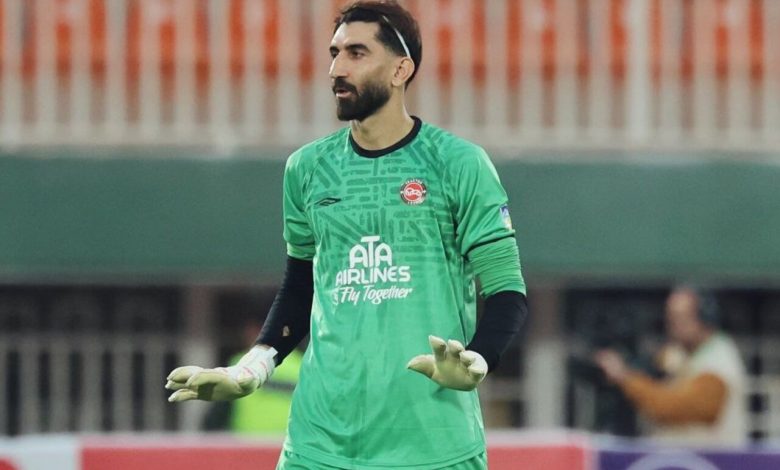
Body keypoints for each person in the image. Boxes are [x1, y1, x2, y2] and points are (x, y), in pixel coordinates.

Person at [165, 1, 528, 468]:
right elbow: (300, 288)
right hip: (319, 445)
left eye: (357, 53)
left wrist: (478, 360)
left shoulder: (458, 164)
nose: (336, 69)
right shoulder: (307, 169)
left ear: (400, 69)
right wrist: (250, 370)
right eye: (334, 53)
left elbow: (506, 289)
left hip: (433, 446)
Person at [595, 286, 747, 447]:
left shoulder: (717, 361)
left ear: (705, 317)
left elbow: (673, 408)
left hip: (712, 459)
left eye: (681, 317)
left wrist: (625, 377)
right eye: (670, 318)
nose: (673, 326)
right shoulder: (684, 354)